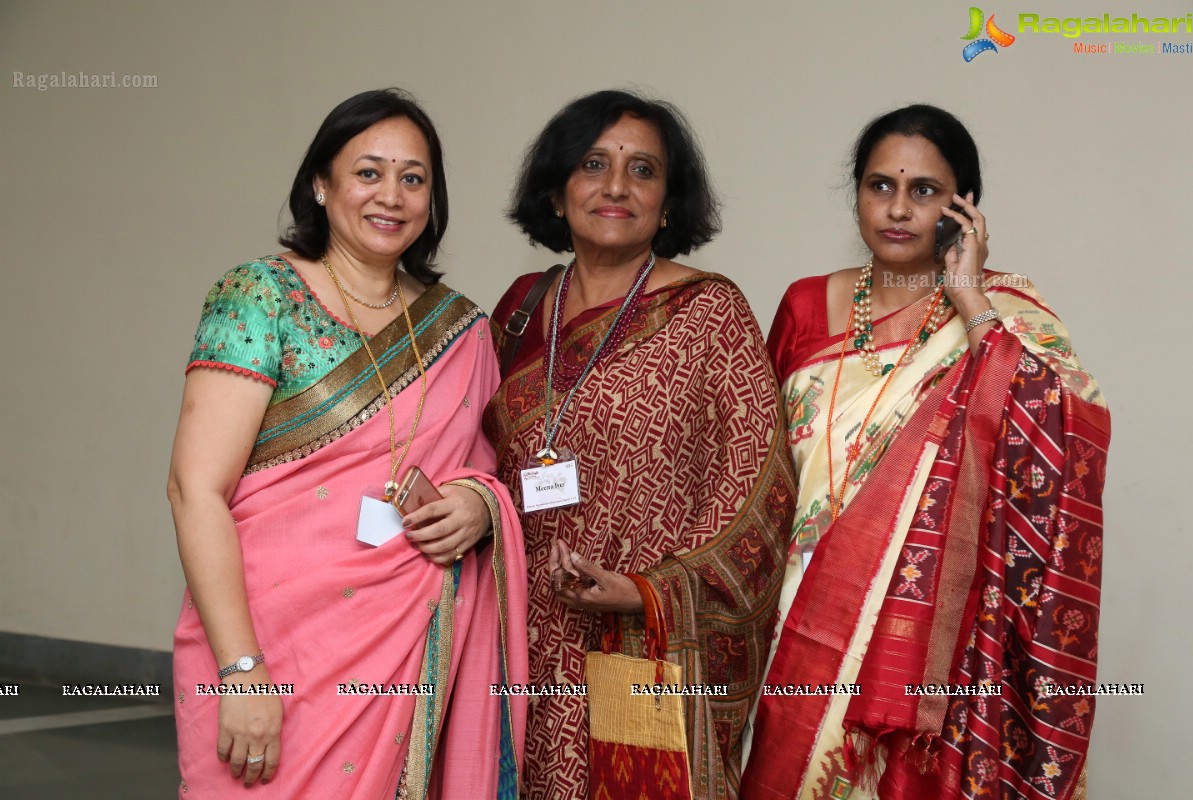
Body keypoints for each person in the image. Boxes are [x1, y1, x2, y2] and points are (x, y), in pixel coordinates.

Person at [740, 104, 1108, 799]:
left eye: (924, 191)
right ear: (855, 195)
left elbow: (1059, 425)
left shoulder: (1006, 310)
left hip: (935, 629)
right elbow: (758, 470)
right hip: (796, 618)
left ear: (964, 207)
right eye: (880, 186)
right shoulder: (805, 306)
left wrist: (968, 296)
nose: (898, 209)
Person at [167, 88, 527, 799]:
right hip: (267, 644)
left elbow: (484, 471)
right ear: (321, 186)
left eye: (413, 178)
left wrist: (480, 506)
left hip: (406, 652)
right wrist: (242, 670)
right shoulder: (258, 296)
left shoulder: (461, 328)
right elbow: (193, 490)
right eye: (368, 172)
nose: (391, 195)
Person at [483, 89, 795, 800]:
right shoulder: (520, 310)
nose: (617, 186)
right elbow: (476, 461)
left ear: (668, 200)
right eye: (594, 164)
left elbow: (759, 494)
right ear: (558, 193)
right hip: (519, 643)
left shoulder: (710, 312)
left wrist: (647, 593)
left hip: (644, 649)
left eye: (643, 170)